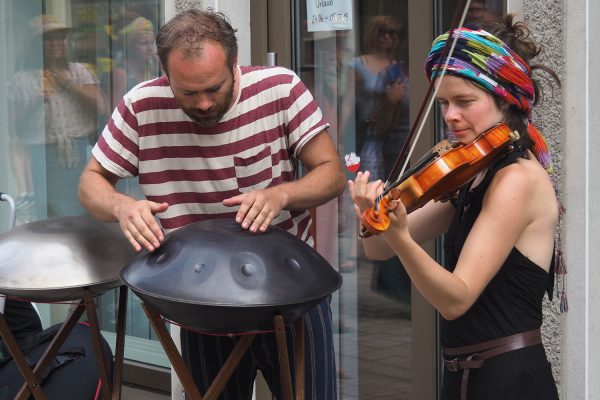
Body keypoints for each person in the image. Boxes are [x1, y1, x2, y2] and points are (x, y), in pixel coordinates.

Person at [78, 9, 345, 400]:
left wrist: (281, 194)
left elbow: (332, 173)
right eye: (187, 93)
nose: (203, 103)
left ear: (235, 64)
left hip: (290, 294)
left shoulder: (281, 88)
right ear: (165, 75)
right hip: (202, 300)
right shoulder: (141, 105)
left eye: (213, 89)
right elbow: (90, 182)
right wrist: (121, 206)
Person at [350, 15, 559, 399]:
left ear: (505, 98)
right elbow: (377, 248)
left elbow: (456, 298)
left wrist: (402, 238)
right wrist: (371, 215)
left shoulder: (516, 178)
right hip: (466, 377)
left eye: (465, 101)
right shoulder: (471, 172)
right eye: (443, 102)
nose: (449, 115)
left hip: (509, 380)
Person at [7, 15, 108, 219]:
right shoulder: (22, 79)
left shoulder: (79, 72)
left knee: (83, 207)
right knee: (50, 212)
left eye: (58, 38)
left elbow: (101, 107)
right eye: (47, 39)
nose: (54, 43)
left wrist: (66, 83)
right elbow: (11, 125)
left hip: (80, 149)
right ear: (37, 45)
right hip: (43, 155)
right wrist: (35, 102)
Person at [340, 15, 409, 182]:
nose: (387, 37)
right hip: (371, 133)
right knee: (372, 184)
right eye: (382, 32)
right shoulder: (359, 64)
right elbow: (348, 103)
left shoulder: (401, 65)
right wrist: (340, 138)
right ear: (373, 34)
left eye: (393, 33)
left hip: (400, 134)